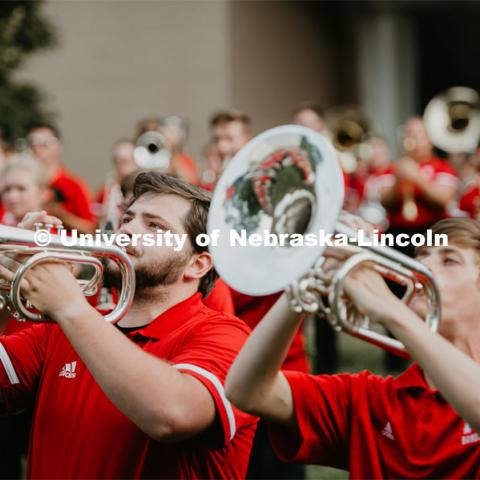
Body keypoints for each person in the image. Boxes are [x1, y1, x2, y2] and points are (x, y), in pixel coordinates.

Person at [0, 172, 256, 478]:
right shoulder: (63, 327)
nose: (127, 231)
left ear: (197, 264)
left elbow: (172, 416)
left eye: (155, 226)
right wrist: (7, 277)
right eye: (128, 219)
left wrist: (70, 306)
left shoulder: (226, 335)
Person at [226, 216, 480, 478]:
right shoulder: (370, 398)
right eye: (422, 255)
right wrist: (306, 280)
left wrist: (388, 307)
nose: (423, 266)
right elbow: (246, 392)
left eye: (449, 260)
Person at [26, 123, 95, 233]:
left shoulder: (73, 185)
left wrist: (61, 214)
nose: (39, 148)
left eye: (46, 143)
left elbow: (90, 229)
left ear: (58, 146)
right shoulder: (20, 185)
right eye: (34, 143)